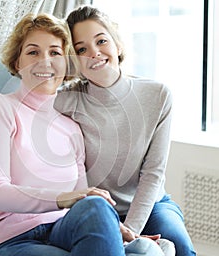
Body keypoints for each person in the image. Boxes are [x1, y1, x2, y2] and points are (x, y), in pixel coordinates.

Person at [0, 12, 126, 256]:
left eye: (54, 52)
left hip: (60, 231)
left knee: (96, 206)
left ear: (67, 62)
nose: (45, 61)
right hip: (8, 240)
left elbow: (83, 202)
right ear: (17, 63)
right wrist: (65, 197)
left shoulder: (72, 128)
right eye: (33, 52)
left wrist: (119, 230)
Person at [52, 5, 195, 256]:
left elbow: (153, 173)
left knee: (181, 248)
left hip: (151, 205)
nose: (94, 53)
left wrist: (130, 232)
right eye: (81, 49)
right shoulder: (66, 100)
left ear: (117, 45)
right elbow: (14, 104)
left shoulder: (158, 95)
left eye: (101, 41)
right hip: (98, 210)